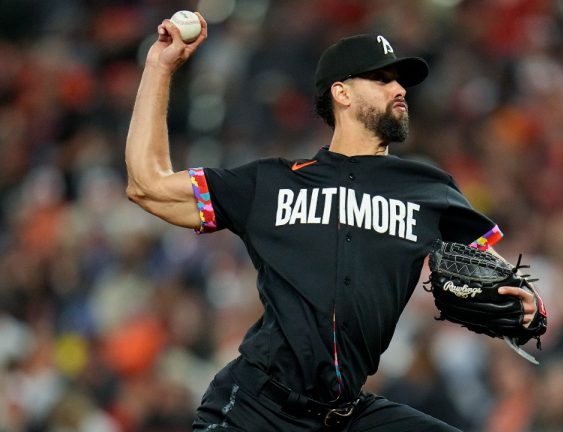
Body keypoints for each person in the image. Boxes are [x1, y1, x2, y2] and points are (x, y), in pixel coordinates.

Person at [125, 12, 539, 432]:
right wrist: (160, 66)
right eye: (381, 79)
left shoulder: (429, 189)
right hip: (257, 408)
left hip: (345, 414)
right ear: (341, 92)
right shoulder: (270, 183)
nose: (399, 89)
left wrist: (527, 307)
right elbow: (147, 185)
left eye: (400, 81)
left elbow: (499, 275)